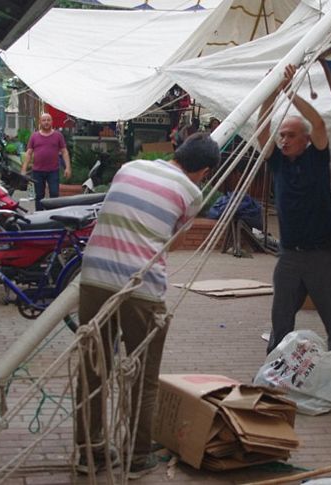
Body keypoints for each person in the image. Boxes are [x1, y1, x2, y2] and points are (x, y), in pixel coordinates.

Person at [76, 132, 220, 478]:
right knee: (143, 377)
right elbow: (172, 242)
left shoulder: (130, 167)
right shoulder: (191, 192)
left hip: (93, 276)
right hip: (139, 288)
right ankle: (137, 455)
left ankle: (88, 452)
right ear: (203, 170)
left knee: (93, 369)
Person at [257, 64, 331, 354]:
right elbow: (262, 133)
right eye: (281, 135)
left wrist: (290, 92)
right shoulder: (279, 163)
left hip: (322, 254)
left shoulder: (317, 158)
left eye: (290, 135)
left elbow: (318, 124)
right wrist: (271, 92)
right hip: (289, 256)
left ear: (305, 140)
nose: (283, 140)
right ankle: (273, 372)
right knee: (280, 318)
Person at [21, 112, 71, 211]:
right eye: (44, 120)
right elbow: (29, 153)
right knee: (39, 195)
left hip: (53, 171)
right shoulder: (34, 136)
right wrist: (24, 169)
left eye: (48, 120)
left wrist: (68, 168)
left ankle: (52, 215)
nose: (46, 122)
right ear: (40, 122)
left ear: (52, 122)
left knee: (54, 194)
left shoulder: (58, 135)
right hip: (37, 171)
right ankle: (39, 216)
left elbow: (64, 152)